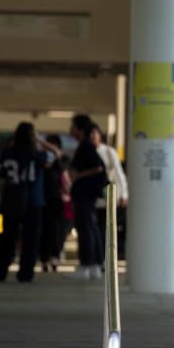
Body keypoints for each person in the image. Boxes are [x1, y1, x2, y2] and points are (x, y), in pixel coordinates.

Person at [0, 122, 59, 283]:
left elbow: (0, 178)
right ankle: (26, 273)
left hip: (11, 201)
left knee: (7, 238)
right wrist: (40, 140)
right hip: (34, 202)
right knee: (31, 239)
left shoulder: (7, 154)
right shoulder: (37, 154)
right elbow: (56, 154)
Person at [69, 114, 107, 280]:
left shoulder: (86, 146)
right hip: (85, 194)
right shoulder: (85, 146)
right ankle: (93, 265)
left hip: (85, 194)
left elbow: (99, 168)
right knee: (89, 228)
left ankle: (87, 265)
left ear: (79, 129)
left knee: (86, 229)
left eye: (73, 126)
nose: (70, 130)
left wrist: (78, 175)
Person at [89, 124, 128, 258]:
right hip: (94, 195)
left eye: (95, 133)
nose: (93, 137)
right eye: (90, 134)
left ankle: (106, 257)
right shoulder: (87, 152)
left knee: (106, 227)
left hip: (109, 194)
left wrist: (124, 193)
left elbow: (118, 172)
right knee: (95, 228)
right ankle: (97, 257)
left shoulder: (108, 151)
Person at [39, 134, 67, 272]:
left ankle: (54, 256)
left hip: (55, 200)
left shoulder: (59, 161)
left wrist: (41, 141)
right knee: (43, 230)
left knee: (55, 230)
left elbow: (57, 153)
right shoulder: (41, 158)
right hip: (42, 199)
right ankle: (45, 258)